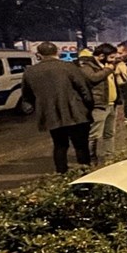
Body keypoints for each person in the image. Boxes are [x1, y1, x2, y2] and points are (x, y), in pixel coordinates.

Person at [21, 42, 94, 173]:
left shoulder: (30, 71)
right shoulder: (69, 67)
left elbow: (27, 95)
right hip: (76, 112)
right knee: (81, 146)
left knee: (60, 145)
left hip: (51, 114)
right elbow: (84, 89)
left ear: (39, 54)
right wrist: (89, 107)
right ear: (58, 52)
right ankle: (85, 174)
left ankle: (62, 174)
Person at [77, 44, 120, 166]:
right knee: (94, 135)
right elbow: (93, 78)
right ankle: (91, 159)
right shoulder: (87, 66)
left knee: (109, 133)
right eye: (111, 57)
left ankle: (109, 157)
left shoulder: (106, 66)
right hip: (99, 106)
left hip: (111, 104)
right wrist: (109, 69)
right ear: (101, 56)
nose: (113, 60)